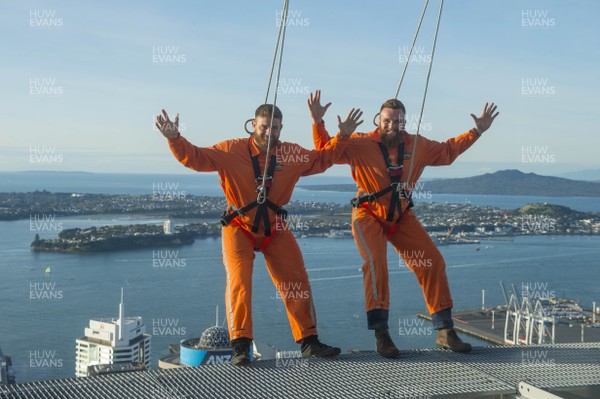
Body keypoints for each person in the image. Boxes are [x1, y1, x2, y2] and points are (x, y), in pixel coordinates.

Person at [155, 100, 363, 365]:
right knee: (239, 280)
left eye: (274, 128)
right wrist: (175, 139)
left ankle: (309, 342)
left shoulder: (290, 154)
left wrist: (343, 136)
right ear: (254, 125)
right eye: (264, 127)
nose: (269, 132)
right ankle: (241, 346)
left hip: (274, 226)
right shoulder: (231, 150)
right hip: (238, 225)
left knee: (296, 279)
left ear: (281, 128)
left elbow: (323, 159)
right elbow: (196, 158)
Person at [309, 90, 499, 357]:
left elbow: (447, 151)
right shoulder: (360, 142)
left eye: (398, 122)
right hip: (367, 213)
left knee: (432, 261)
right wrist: (320, 123)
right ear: (378, 120)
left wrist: (476, 131)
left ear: (404, 122)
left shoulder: (417, 145)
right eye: (387, 121)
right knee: (376, 264)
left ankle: (445, 331)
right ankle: (382, 335)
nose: (393, 126)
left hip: (400, 215)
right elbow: (325, 153)